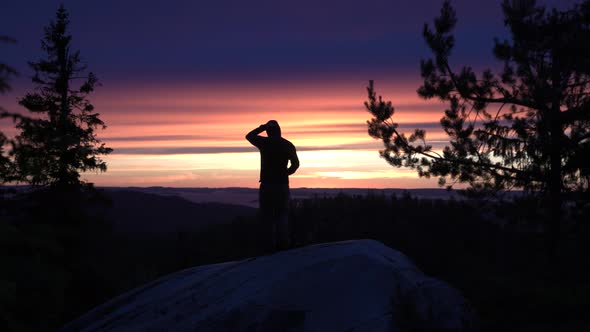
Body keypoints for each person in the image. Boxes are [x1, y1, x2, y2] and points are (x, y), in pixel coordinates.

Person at [246, 120, 299, 250]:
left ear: (268, 131)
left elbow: (249, 136)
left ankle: (268, 245)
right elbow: (295, 164)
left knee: (267, 215)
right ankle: (283, 244)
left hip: (267, 184)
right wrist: (286, 173)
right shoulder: (288, 144)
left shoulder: (265, 142)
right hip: (282, 184)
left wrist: (262, 127)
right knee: (282, 214)